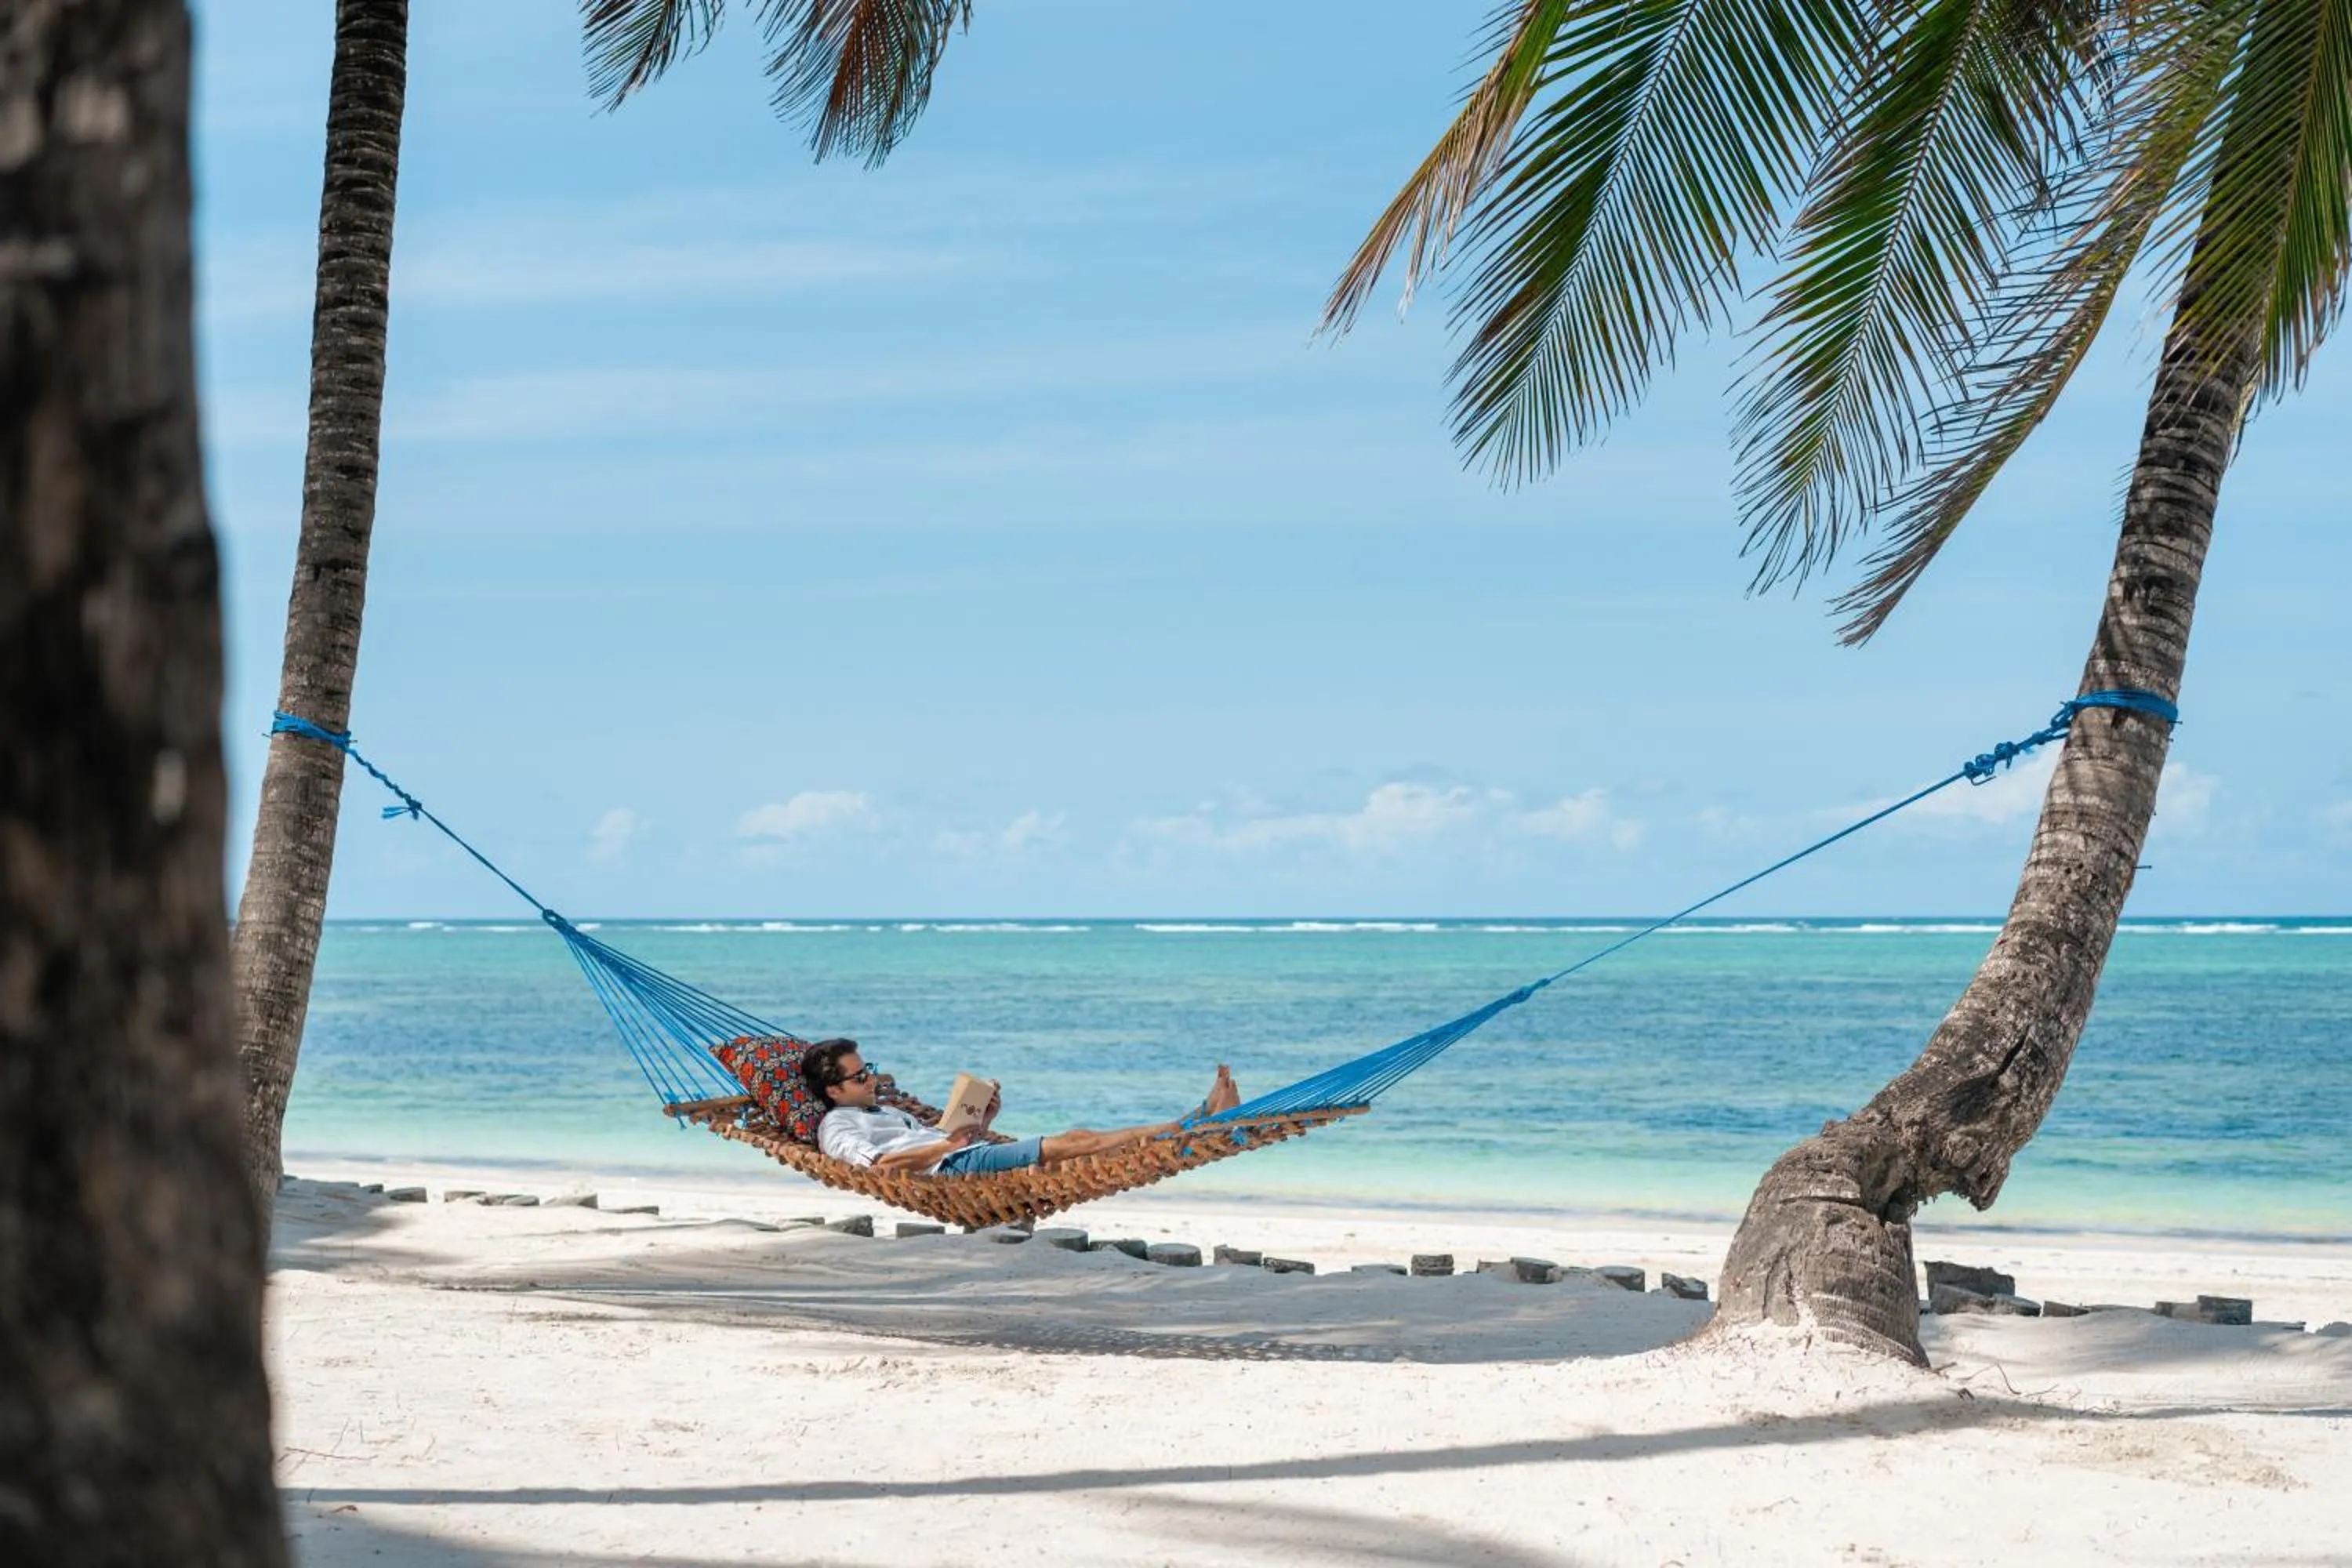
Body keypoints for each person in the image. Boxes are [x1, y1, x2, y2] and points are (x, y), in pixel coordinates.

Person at [804, 1039, 1240, 1176]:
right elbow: (882, 1166)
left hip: (961, 1154)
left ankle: (1193, 1127)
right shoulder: (837, 1127)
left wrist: (981, 1120)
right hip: (955, 1167)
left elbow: (932, 1140)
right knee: (1079, 1143)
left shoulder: (882, 1113)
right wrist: (946, 1147)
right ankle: (1196, 1122)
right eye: (859, 1077)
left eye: (869, 1070)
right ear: (834, 1091)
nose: (870, 1080)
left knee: (1080, 1138)